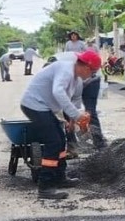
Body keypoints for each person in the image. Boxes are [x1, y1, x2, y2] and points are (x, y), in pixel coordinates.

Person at [19, 50, 101, 200]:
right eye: (93, 72)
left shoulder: (77, 80)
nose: (92, 75)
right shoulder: (65, 70)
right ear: (86, 67)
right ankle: (45, 187)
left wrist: (71, 121)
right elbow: (58, 92)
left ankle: (60, 177)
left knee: (61, 139)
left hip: (45, 107)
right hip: (33, 104)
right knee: (53, 142)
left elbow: (74, 102)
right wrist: (77, 116)